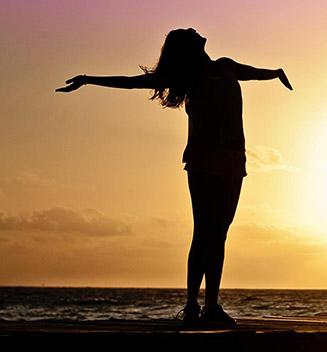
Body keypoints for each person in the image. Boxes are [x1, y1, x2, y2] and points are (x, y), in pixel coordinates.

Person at [56, 28, 293, 326]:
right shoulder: (187, 76)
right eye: (189, 34)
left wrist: (277, 72)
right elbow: (132, 83)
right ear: (187, 48)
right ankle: (193, 305)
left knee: (219, 233)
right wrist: (89, 79)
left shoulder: (226, 66)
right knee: (205, 231)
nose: (196, 31)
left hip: (234, 159)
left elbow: (256, 73)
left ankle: (211, 306)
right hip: (203, 159)